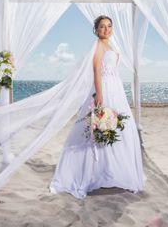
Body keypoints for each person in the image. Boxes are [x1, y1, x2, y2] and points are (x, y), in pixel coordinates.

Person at [49, 15, 146, 198]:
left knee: (117, 128)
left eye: (109, 26)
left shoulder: (111, 45)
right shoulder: (99, 45)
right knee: (98, 129)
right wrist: (99, 94)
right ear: (96, 29)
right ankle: (90, 172)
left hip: (116, 88)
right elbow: (96, 70)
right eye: (102, 27)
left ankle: (113, 170)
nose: (106, 30)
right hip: (104, 88)